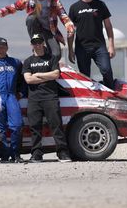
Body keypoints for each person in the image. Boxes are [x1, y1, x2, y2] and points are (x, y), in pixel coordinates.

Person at [0, 0, 74, 61]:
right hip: (36, 27)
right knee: (31, 19)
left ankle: (51, 66)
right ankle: (36, 43)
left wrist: (70, 28)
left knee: (56, 55)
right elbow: (14, 7)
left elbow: (63, 15)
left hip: (49, 30)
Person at [22, 34, 71, 163]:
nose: (37, 45)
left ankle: (62, 153)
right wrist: (46, 76)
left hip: (50, 97)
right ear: (31, 44)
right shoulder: (28, 61)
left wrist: (38, 74)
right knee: (34, 127)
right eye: (35, 43)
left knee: (56, 125)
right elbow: (28, 79)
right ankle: (37, 154)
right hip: (34, 99)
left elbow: (56, 74)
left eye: (39, 42)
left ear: (43, 43)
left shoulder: (52, 58)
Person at [67, 0, 115, 89]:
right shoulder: (74, 8)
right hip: (82, 47)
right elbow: (70, 30)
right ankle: (91, 101)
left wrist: (111, 45)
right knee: (84, 78)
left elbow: (108, 26)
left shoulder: (100, 5)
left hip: (99, 46)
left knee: (106, 70)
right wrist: (70, 50)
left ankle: (111, 92)